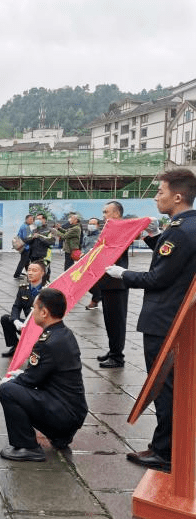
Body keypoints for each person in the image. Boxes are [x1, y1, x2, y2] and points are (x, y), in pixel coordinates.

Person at [106, 168, 196, 473]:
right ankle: (170, 445)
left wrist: (123, 275)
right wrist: (152, 237)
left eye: (160, 192)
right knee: (173, 385)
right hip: (178, 317)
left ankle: (165, 451)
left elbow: (158, 277)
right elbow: (174, 261)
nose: (156, 197)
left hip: (163, 320)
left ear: (178, 196)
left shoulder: (179, 231)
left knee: (163, 386)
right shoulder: (188, 226)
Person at [0, 288, 88, 462]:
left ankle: (28, 447)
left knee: (7, 391)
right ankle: (59, 436)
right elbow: (43, 373)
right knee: (16, 386)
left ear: (44, 312)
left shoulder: (48, 342)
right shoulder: (63, 333)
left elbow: (30, 380)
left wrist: (12, 380)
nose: (32, 313)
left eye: (34, 309)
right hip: (71, 412)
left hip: (64, 413)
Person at [96, 201, 129, 369]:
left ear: (116, 213)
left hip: (117, 283)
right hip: (107, 283)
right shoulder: (110, 229)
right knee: (109, 320)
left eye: (106, 212)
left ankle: (118, 357)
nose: (104, 215)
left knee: (116, 322)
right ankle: (113, 350)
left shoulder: (122, 229)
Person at [0, 261, 46, 357]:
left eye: (34, 270)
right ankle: (15, 346)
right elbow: (16, 307)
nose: (30, 273)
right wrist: (16, 321)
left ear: (42, 273)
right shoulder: (23, 288)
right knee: (5, 319)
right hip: (27, 324)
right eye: (29, 270)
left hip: (42, 328)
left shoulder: (48, 290)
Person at [25, 214, 55, 282]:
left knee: (43, 277)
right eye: (36, 219)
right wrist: (32, 237)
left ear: (44, 219)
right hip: (33, 256)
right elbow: (27, 240)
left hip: (44, 257)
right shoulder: (34, 230)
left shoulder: (49, 230)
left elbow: (51, 241)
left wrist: (39, 236)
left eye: (39, 219)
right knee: (33, 277)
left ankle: (45, 290)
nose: (37, 221)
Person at [83, 218, 102, 310]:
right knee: (86, 283)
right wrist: (82, 253)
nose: (91, 225)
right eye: (90, 223)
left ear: (98, 225)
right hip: (86, 263)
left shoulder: (101, 236)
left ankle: (94, 301)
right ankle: (99, 296)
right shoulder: (86, 235)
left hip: (97, 264)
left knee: (94, 284)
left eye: (93, 224)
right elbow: (83, 246)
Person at [13, 214, 34, 279]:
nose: (32, 221)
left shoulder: (25, 225)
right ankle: (16, 275)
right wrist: (33, 237)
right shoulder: (26, 227)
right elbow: (27, 238)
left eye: (32, 219)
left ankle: (28, 274)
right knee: (23, 261)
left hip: (24, 246)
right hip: (25, 247)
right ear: (26, 220)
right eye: (30, 219)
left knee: (26, 261)